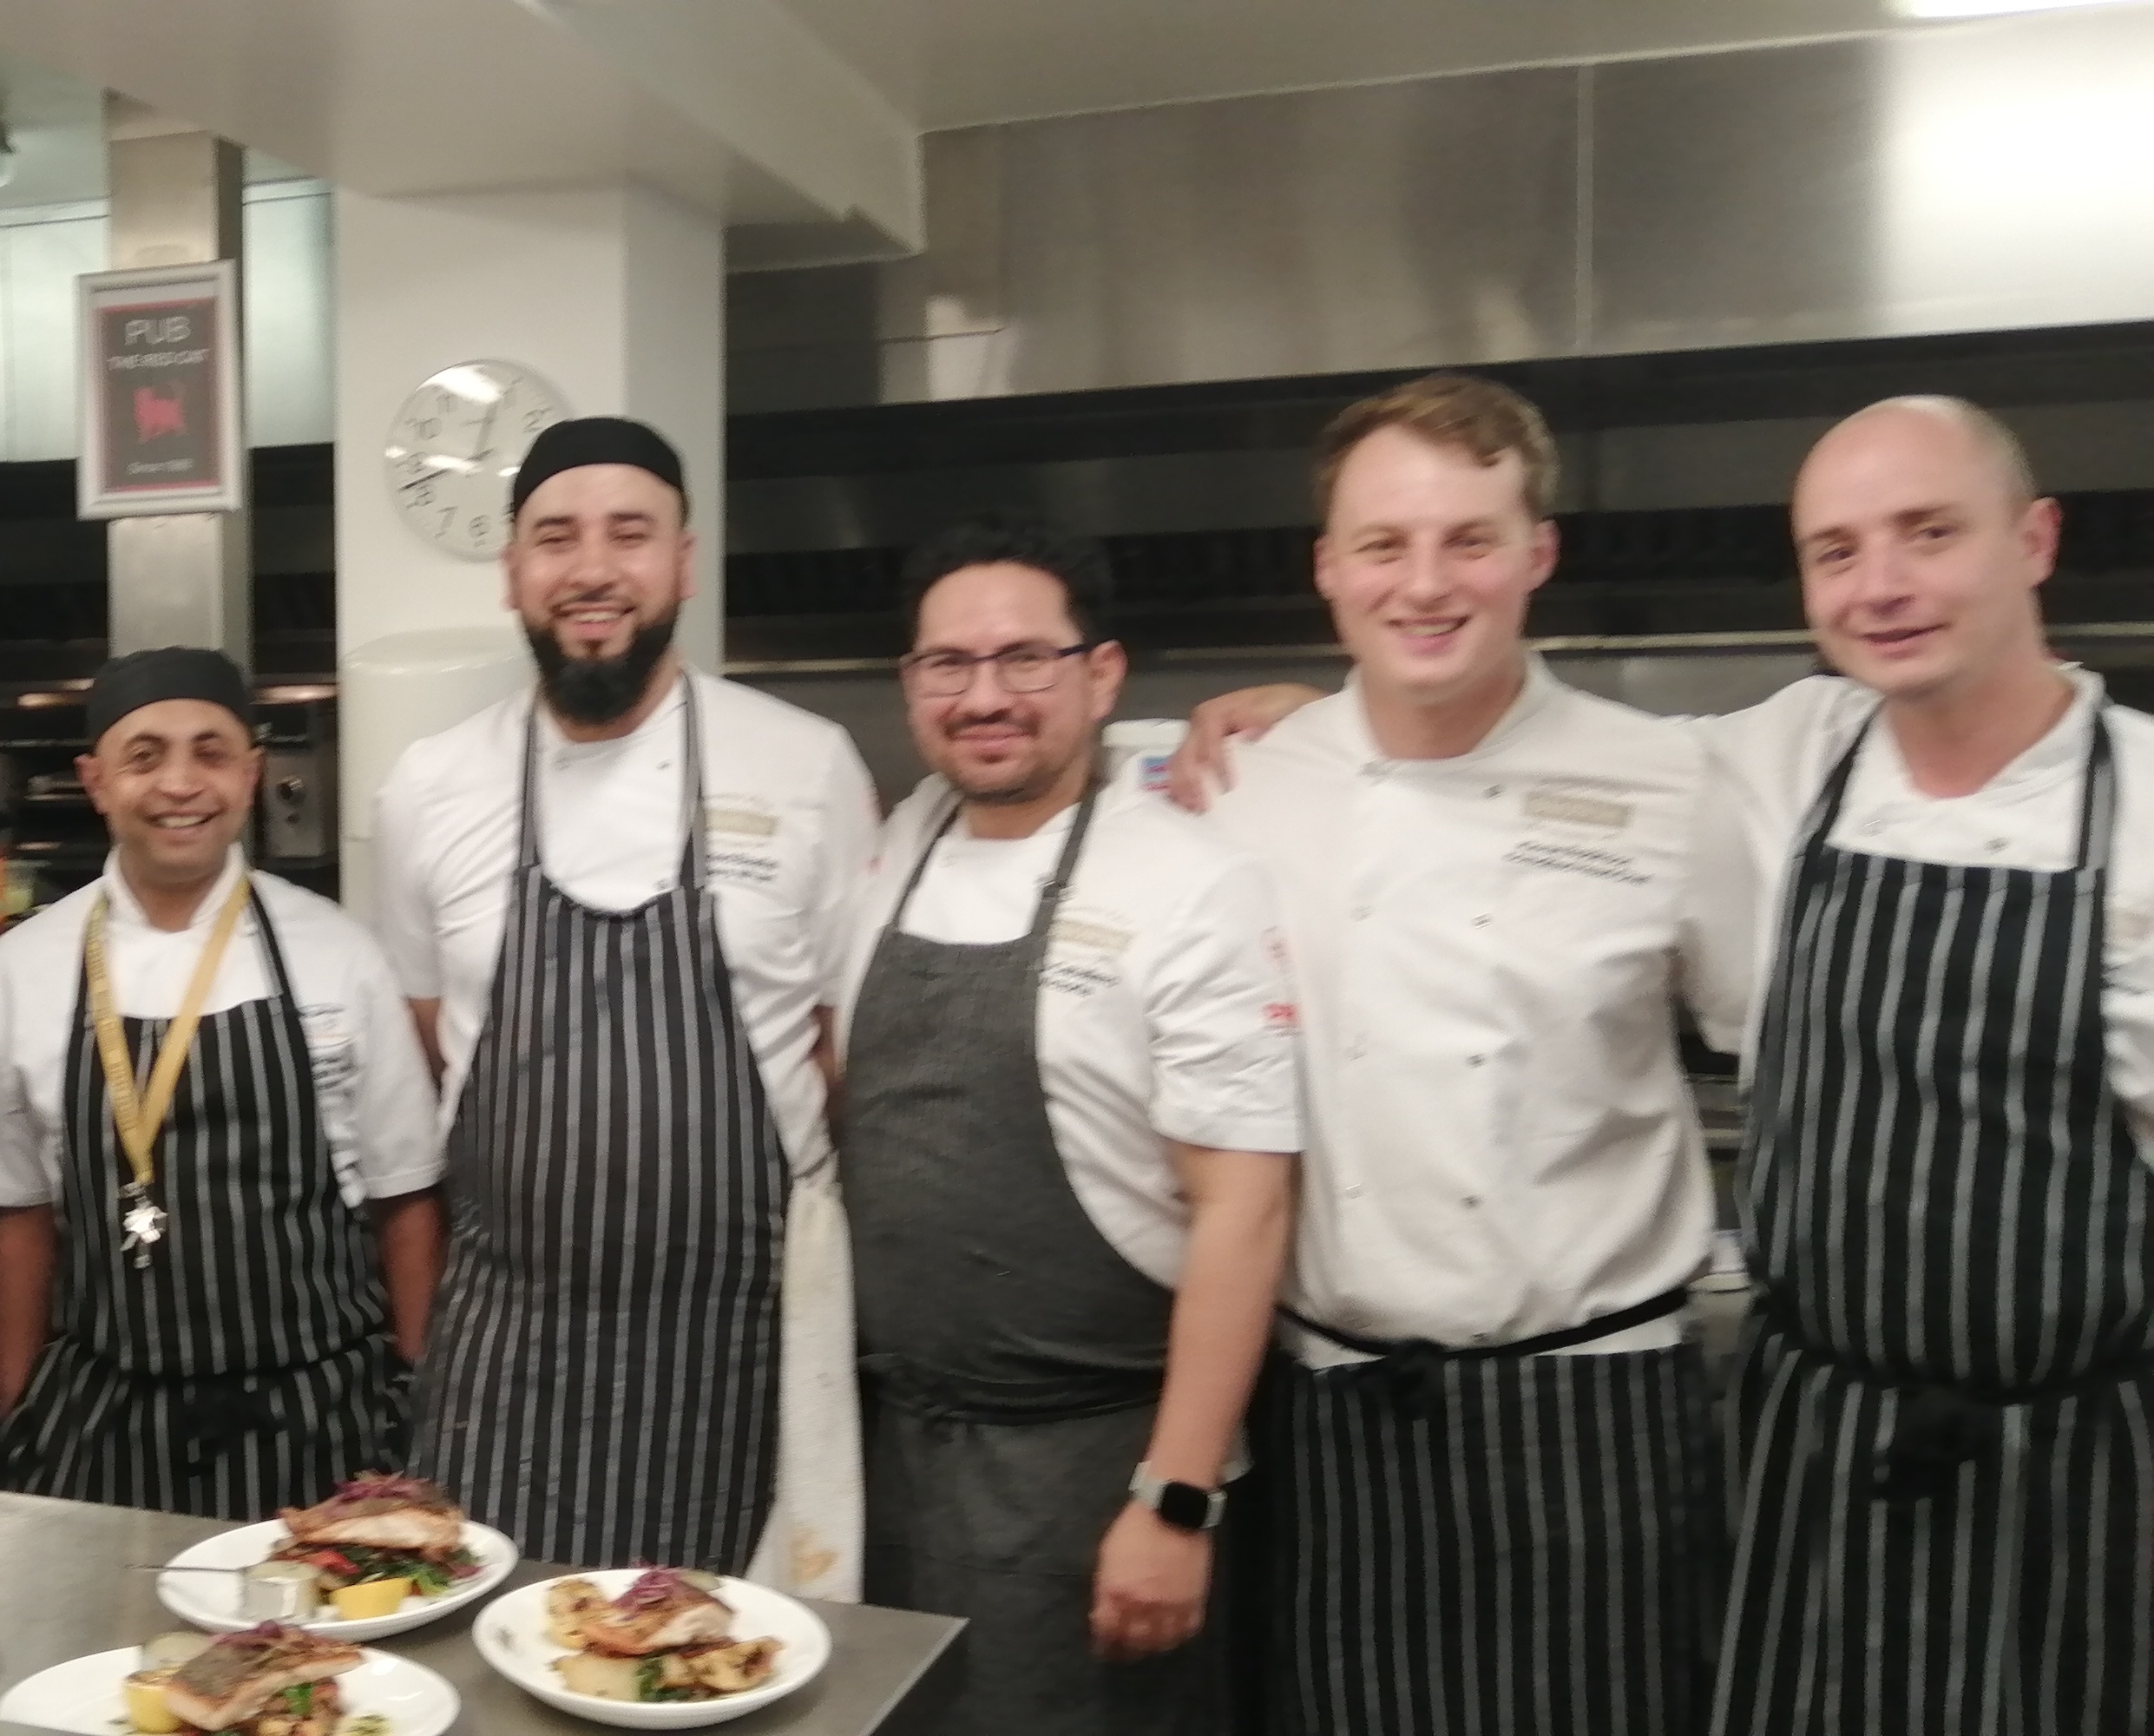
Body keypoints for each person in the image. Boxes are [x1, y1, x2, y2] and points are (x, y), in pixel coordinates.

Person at [1171, 373, 1751, 1733]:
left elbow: (1775, 1041)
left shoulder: (1667, 781)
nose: (1425, 584)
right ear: (1328, 570)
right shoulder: (1247, 784)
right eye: (1384, 545)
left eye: (1469, 542)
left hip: (1597, 1415)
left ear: (1538, 553)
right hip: (1335, 1414)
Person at [1694, 398, 2151, 1734]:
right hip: (1817, 1458)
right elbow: (1526, 762)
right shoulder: (1788, 755)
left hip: (2083, 1471)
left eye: (1927, 534)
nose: (1879, 586)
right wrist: (1294, 719)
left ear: (2036, 539)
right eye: (1834, 551)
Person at [372, 417, 875, 1595]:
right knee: (496, 1676)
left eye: (629, 534)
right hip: (510, 1350)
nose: (591, 567)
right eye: (555, 537)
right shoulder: (431, 786)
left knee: (727, 1673)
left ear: (684, 562)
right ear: (513, 571)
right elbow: (426, 1037)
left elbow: (844, 1050)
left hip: (745, 1341)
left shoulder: (809, 766)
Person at [832, 521, 1297, 1733]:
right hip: (899, 1459)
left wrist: (1175, 1499)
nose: (984, 696)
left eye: (1025, 659)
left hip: (1092, 1468)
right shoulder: (898, 846)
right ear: (911, 685)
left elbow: (1246, 1207)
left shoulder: (1188, 882)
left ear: (1101, 675)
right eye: (948, 664)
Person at [0, 648, 443, 1518]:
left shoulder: (337, 952)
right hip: (103, 1421)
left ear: (251, 774)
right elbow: (19, 1216)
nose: (179, 782)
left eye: (210, 751)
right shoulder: (18, 970)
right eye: (143, 755)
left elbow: (404, 1196)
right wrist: (15, 1414)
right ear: (95, 780)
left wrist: (419, 1412)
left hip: (324, 1420)